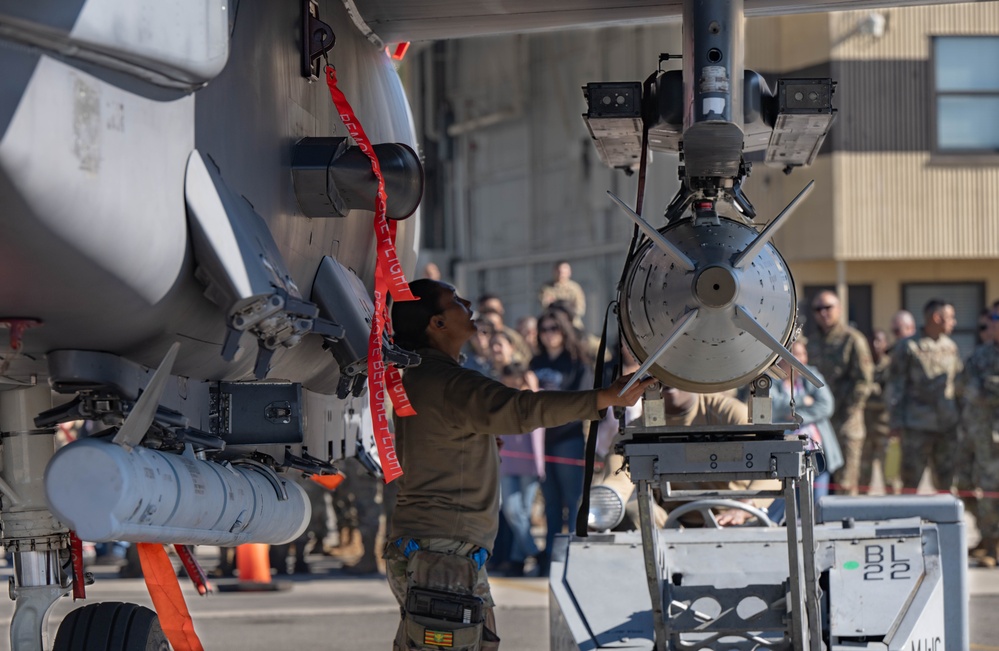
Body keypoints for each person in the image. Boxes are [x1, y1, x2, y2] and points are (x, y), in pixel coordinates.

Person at [384, 279, 652, 650]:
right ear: (437, 324)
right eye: (455, 301)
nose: (467, 303)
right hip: (441, 556)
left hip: (438, 551)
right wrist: (604, 397)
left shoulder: (423, 377)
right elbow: (523, 408)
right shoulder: (448, 382)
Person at [529, 309, 592, 576]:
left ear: (564, 329)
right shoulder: (535, 361)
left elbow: (583, 401)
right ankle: (551, 559)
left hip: (568, 440)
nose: (548, 333)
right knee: (551, 504)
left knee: (573, 500)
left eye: (554, 328)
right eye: (543, 329)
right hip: (540, 441)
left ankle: (578, 557)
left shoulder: (577, 362)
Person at [888, 299, 962, 492]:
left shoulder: (951, 347)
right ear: (936, 318)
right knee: (911, 483)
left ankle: (945, 521)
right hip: (916, 426)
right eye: (950, 317)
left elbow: (957, 384)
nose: (954, 322)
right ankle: (907, 521)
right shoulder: (908, 347)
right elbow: (896, 387)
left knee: (946, 483)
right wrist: (895, 422)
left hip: (947, 426)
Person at [806, 291, 874, 495]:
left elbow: (864, 381)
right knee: (820, 479)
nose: (823, 313)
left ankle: (845, 524)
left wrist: (848, 409)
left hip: (846, 422)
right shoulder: (812, 342)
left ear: (839, 309)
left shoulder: (852, 340)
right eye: (818, 309)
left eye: (828, 308)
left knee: (845, 483)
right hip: (819, 424)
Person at [770, 340, 843, 502]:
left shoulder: (812, 375)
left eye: (803, 354)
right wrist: (803, 400)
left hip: (816, 449)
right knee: (789, 502)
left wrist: (797, 417)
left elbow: (826, 405)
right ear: (783, 357)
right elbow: (771, 407)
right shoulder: (772, 379)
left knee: (818, 502)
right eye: (795, 354)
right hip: (786, 451)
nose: (801, 359)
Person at [959, 308, 999, 567]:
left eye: (995, 320)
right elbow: (970, 389)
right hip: (985, 438)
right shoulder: (980, 356)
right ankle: (992, 544)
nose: (989, 325)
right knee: (985, 491)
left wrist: (991, 385)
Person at [496, 363, 545, 577]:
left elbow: (540, 415)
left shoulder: (531, 397)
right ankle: (535, 552)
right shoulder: (501, 397)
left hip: (530, 462)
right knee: (512, 510)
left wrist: (532, 388)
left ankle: (518, 560)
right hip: (507, 461)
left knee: (523, 511)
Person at [860, 329, 900, 494]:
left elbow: (888, 396)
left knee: (890, 478)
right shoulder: (864, 365)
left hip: (886, 429)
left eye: (879, 341)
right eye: (872, 341)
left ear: (885, 344)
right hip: (865, 428)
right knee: (863, 477)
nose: (875, 345)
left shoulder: (891, 366)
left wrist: (869, 390)